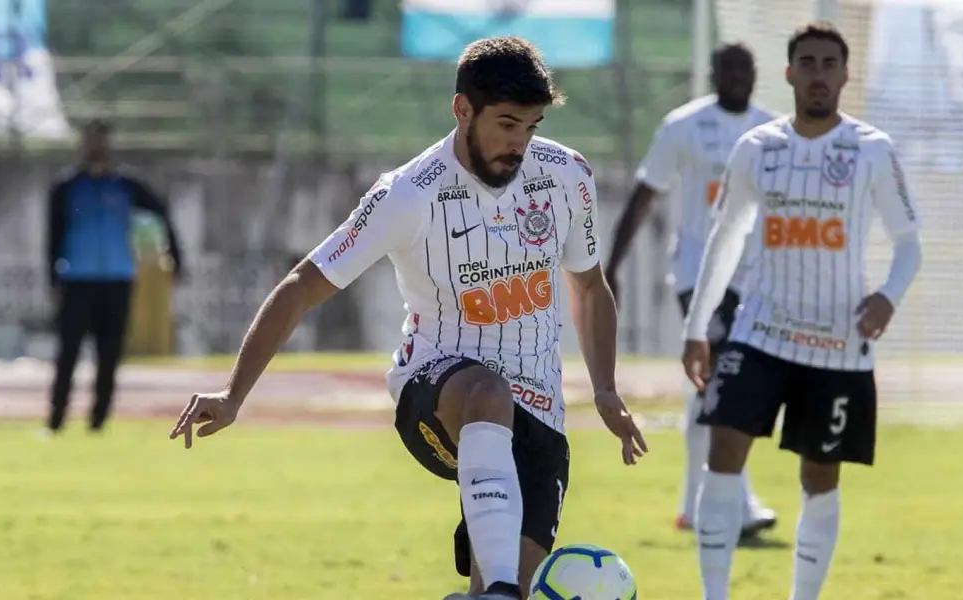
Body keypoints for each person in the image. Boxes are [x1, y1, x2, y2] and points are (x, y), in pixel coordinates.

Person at [166, 36, 647, 600]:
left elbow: (588, 287)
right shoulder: (408, 195)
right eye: (507, 124)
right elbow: (302, 286)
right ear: (462, 110)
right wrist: (233, 394)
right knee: (486, 392)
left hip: (540, 407)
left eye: (532, 127)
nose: (519, 145)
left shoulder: (566, 177)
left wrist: (606, 390)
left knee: (512, 587)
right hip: (436, 390)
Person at [680, 22, 923, 600]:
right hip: (759, 332)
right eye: (807, 63)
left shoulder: (872, 150)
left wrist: (888, 295)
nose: (818, 73)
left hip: (839, 345)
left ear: (844, 74)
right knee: (721, 456)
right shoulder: (757, 149)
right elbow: (724, 240)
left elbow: (909, 242)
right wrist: (697, 329)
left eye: (829, 64)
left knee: (820, 480)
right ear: (789, 73)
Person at [604, 42, 778, 538]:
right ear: (714, 73)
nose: (738, 77)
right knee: (724, 378)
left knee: (716, 387)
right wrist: (611, 267)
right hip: (698, 274)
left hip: (755, 276)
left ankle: (695, 504)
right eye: (728, 69)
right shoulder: (682, 125)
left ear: (755, 74)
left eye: (746, 69)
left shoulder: (773, 130)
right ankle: (736, 503)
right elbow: (644, 194)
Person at [46, 117, 184, 434]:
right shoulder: (67, 187)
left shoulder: (126, 185)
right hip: (77, 278)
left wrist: (176, 257)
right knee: (68, 352)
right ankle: (56, 420)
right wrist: (52, 280)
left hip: (117, 279)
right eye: (92, 139)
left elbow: (162, 213)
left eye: (102, 139)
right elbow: (52, 237)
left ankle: (98, 420)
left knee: (109, 352)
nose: (97, 146)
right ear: (83, 143)